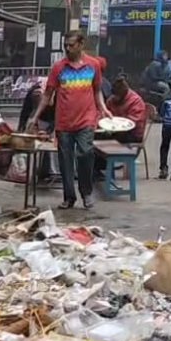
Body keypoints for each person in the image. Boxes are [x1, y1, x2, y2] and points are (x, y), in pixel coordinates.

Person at [32, 30, 111, 209]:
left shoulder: (93, 65)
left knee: (85, 154)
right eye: (65, 45)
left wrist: (103, 108)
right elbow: (47, 94)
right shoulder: (59, 67)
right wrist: (35, 116)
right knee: (65, 161)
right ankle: (69, 197)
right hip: (64, 122)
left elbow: (97, 90)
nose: (67, 49)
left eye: (71, 45)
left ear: (81, 45)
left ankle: (86, 192)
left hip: (86, 120)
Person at [105, 75, 147, 145]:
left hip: (132, 134)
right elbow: (105, 114)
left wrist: (117, 123)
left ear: (124, 93)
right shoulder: (111, 100)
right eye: (114, 95)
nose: (115, 97)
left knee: (108, 139)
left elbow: (133, 122)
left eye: (118, 95)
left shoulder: (135, 101)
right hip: (114, 131)